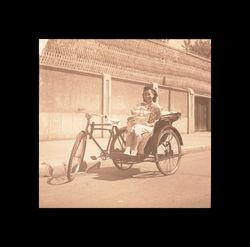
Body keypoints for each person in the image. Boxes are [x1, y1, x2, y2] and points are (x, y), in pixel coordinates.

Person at [124, 86, 161, 156]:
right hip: (140, 125)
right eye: (145, 94)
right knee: (131, 125)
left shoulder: (156, 107)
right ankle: (127, 149)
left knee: (137, 127)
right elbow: (136, 114)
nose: (147, 96)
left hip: (150, 127)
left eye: (149, 94)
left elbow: (158, 120)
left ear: (153, 95)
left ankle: (134, 149)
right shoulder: (140, 105)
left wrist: (150, 124)